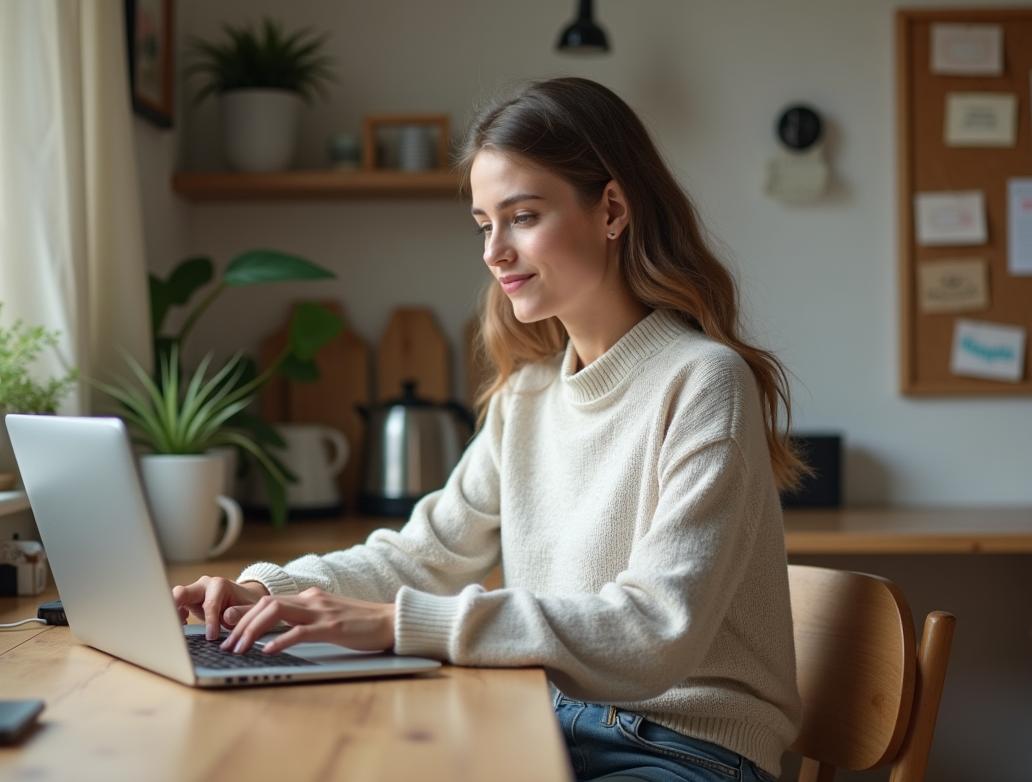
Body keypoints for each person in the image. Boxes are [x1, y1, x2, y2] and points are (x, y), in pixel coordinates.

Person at [173, 77, 804, 782]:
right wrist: (267, 591)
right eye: (484, 224)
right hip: (545, 715)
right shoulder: (528, 395)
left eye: (522, 216)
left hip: (682, 745)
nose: (493, 252)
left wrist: (395, 625)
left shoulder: (704, 381)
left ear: (613, 210)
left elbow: (655, 630)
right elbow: (423, 554)